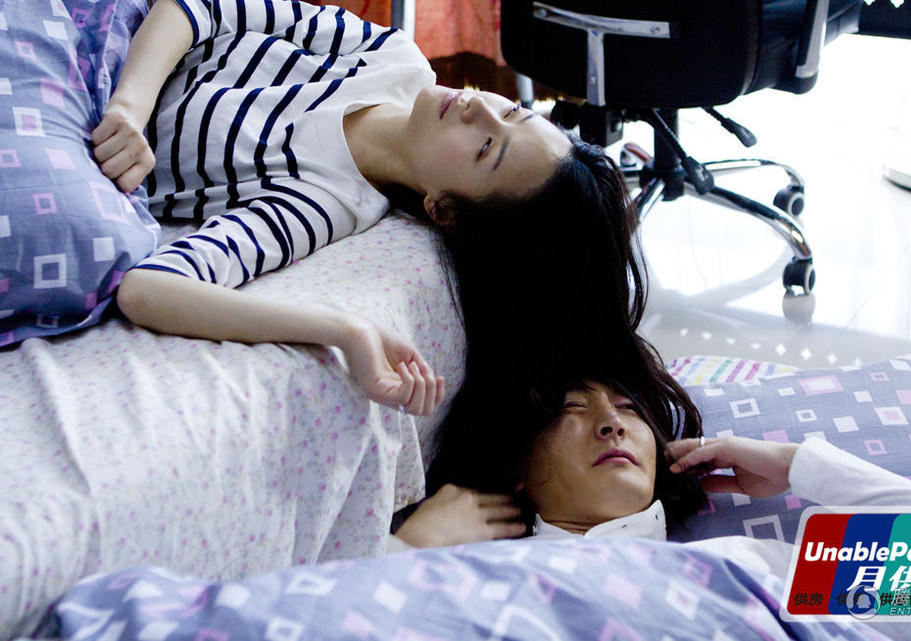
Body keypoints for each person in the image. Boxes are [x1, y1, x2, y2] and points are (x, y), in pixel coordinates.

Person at [94, 0, 647, 416]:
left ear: (444, 212)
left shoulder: (320, 201)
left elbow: (148, 289)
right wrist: (130, 107)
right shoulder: (390, 57)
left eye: (485, 148)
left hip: (71, 117)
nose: (478, 107)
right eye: (512, 113)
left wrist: (343, 330)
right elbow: (200, 7)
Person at [392, 375, 911, 641]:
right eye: (571, 408)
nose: (611, 423)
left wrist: (796, 463)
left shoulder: (747, 566)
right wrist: (403, 554)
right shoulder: (481, 578)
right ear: (516, 469)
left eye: (628, 408)